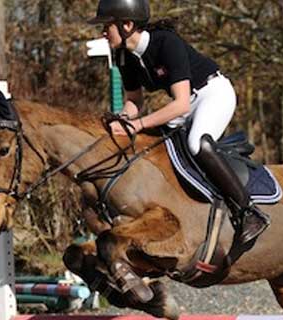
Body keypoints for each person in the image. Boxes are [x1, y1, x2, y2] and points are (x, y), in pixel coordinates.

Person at [90, 0, 270, 245]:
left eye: (107, 26)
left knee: (197, 143)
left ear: (127, 25)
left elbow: (181, 104)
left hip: (213, 93)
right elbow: (134, 101)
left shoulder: (165, 43)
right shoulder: (124, 54)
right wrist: (122, 121)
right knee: (153, 147)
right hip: (185, 102)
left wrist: (139, 124)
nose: (102, 32)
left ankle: (248, 212)